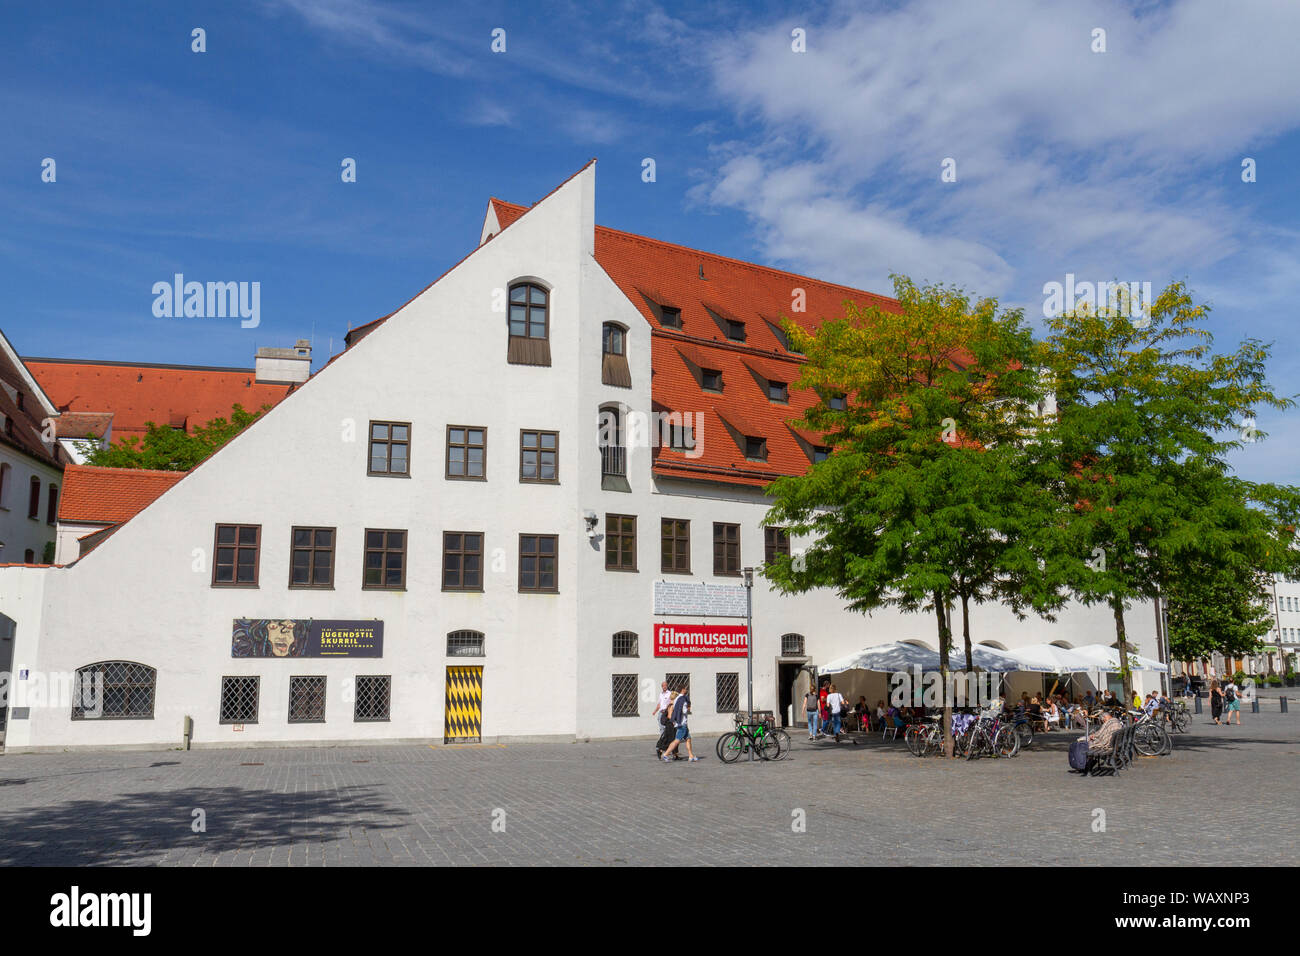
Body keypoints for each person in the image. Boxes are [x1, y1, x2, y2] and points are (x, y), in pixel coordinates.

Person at [661, 690, 699, 761]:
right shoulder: (680, 701)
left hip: (681, 724)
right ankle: (666, 754)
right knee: (677, 740)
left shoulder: (675, 701)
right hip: (682, 724)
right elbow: (683, 711)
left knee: (688, 739)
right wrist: (688, 708)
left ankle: (691, 756)